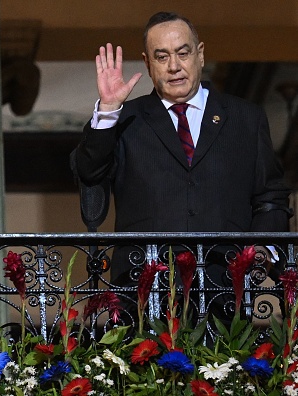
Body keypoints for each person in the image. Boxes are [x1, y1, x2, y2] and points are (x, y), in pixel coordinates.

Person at [75, 12, 291, 325]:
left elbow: (270, 195)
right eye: (161, 57)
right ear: (148, 63)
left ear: (200, 54)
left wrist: (263, 250)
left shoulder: (246, 117)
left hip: (225, 290)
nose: (174, 66)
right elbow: (89, 172)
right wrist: (108, 110)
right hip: (142, 290)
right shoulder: (124, 120)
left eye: (183, 53)